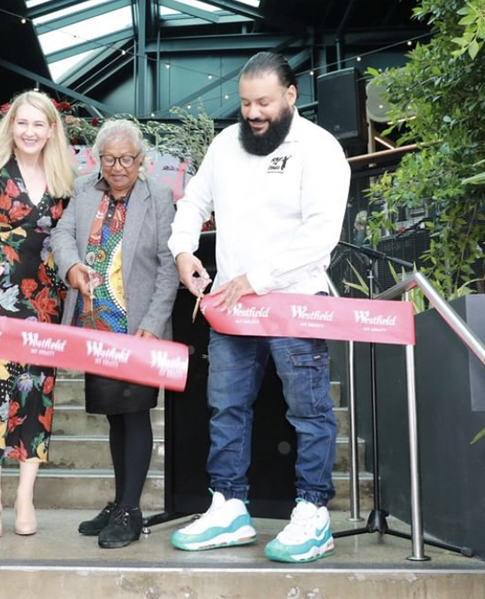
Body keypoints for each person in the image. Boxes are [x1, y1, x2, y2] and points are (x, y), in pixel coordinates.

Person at [167, 52, 351, 563]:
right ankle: (228, 506)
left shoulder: (320, 148)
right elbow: (193, 202)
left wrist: (257, 279)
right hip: (232, 306)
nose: (253, 113)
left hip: (294, 302)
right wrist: (183, 250)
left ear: (291, 95)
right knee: (225, 406)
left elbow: (321, 233)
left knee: (308, 411)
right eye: (246, 103)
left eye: (264, 102)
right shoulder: (226, 144)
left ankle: (313, 513)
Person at [0, 90, 76, 539]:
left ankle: (25, 496)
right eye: (22, 123)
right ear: (11, 126)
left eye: (38, 124)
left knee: (36, 395)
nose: (29, 132)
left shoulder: (65, 180)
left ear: (51, 130)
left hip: (43, 302)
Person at [51, 119, 177, 549]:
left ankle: (130, 511)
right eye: (109, 159)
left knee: (136, 413)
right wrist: (71, 266)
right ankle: (122, 502)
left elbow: (168, 266)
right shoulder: (84, 189)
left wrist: (153, 324)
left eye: (126, 159)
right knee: (114, 415)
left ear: (141, 160)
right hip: (97, 324)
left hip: (138, 327)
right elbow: (62, 233)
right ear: (98, 159)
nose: (118, 167)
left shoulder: (158, 196)